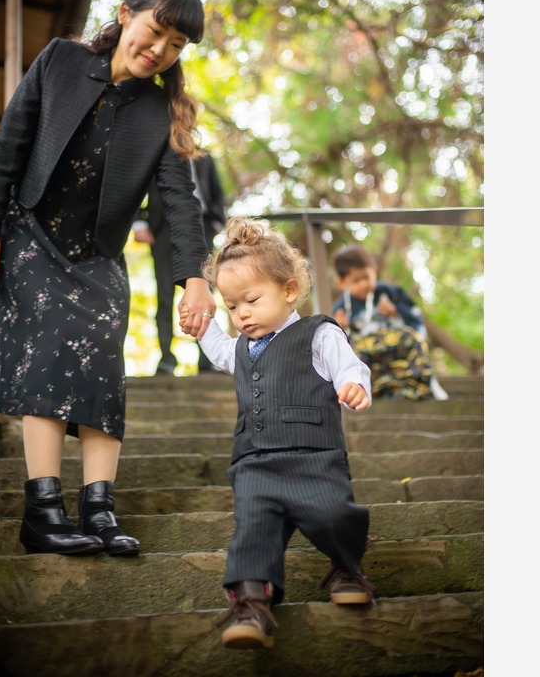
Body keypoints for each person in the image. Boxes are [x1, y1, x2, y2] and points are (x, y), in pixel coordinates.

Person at [0, 0, 216, 558]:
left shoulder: (162, 111)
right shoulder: (60, 60)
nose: (160, 50)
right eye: (155, 31)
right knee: (53, 345)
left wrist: (196, 278)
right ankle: (43, 509)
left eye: (176, 44)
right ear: (126, 15)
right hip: (32, 229)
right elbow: (12, 141)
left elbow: (180, 202)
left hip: (97, 253)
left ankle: (99, 507)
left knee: (105, 354)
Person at [184, 216, 376, 650]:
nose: (241, 314)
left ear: (289, 291)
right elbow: (218, 351)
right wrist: (203, 325)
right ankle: (252, 603)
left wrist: (354, 385)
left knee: (333, 515)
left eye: (250, 300)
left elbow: (349, 365)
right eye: (232, 307)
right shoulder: (241, 347)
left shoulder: (317, 333)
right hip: (254, 460)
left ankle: (346, 566)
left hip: (315, 456)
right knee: (252, 529)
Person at [133, 152, 226, 375]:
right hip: (163, 230)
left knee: (206, 295)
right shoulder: (157, 151)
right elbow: (135, 187)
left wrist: (216, 220)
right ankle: (166, 359)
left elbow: (217, 193)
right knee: (164, 296)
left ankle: (206, 360)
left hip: (202, 229)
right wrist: (138, 223)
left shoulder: (205, 157)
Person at [330, 244, 448, 401]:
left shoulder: (390, 293)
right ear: (342, 283)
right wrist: (339, 327)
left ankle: (417, 386)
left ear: (374, 271)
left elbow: (415, 322)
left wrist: (395, 313)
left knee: (411, 339)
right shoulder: (342, 308)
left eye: (366, 277)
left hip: (396, 352)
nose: (364, 284)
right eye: (356, 281)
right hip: (367, 357)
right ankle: (370, 391)